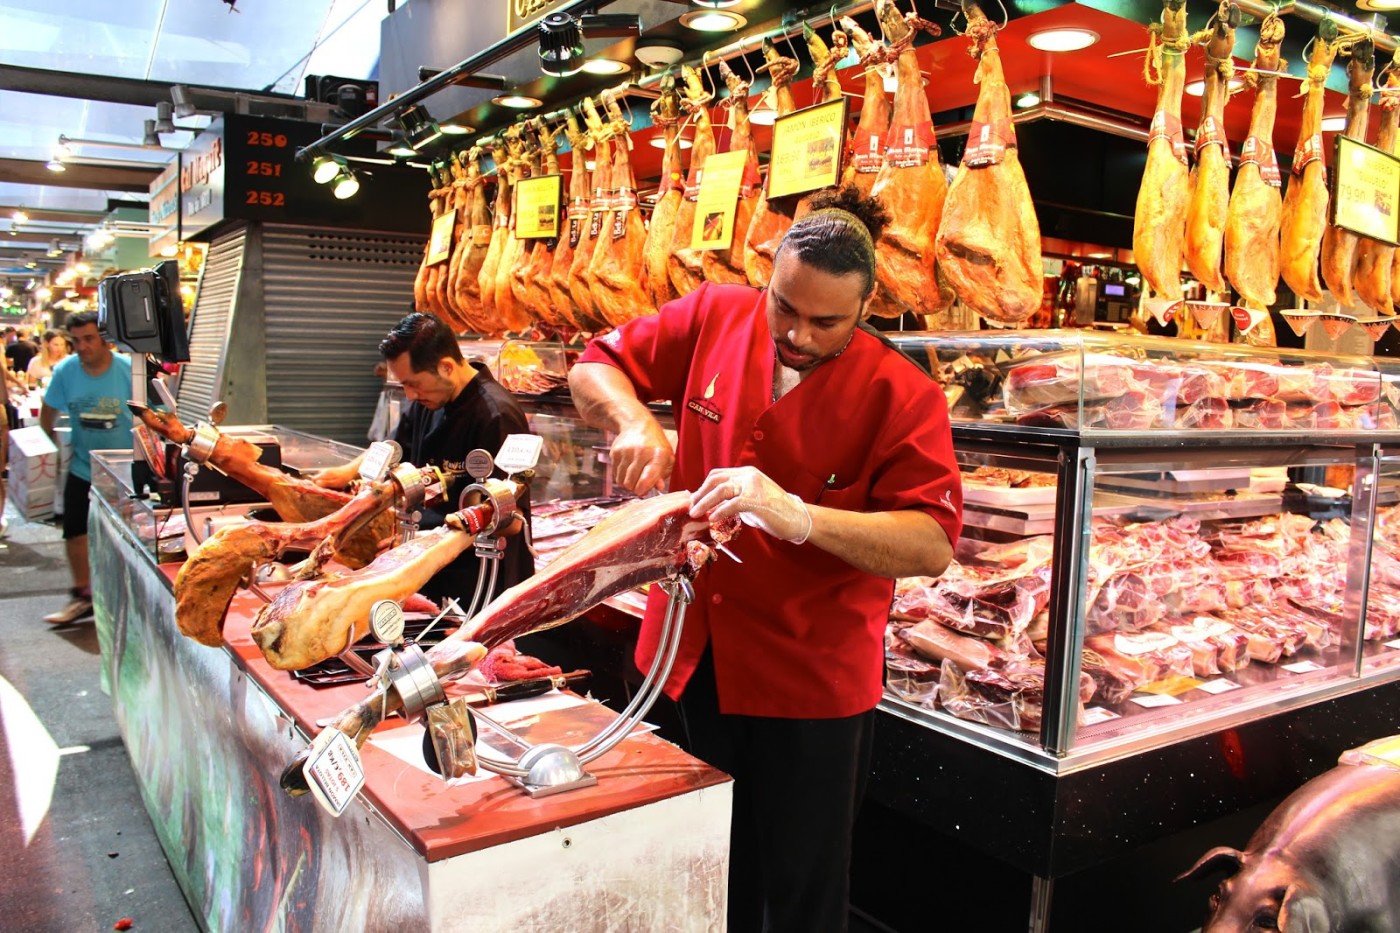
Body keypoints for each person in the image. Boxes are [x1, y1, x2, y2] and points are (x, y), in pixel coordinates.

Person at [568, 186, 962, 933]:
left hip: (807, 683)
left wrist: (799, 516)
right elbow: (596, 364)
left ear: (868, 306)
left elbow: (933, 542)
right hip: (684, 653)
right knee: (699, 866)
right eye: (785, 307)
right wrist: (635, 421)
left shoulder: (902, 393)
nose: (799, 335)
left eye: (827, 322)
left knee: (800, 894)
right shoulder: (716, 313)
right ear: (769, 275)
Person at [315, 312, 534, 603]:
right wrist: (346, 473)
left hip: (480, 578)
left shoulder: (496, 415)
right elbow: (394, 447)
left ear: (445, 367)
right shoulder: (428, 399)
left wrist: (418, 544)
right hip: (429, 569)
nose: (408, 395)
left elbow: (507, 520)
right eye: (403, 384)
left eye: (413, 383)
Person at [40, 311, 133, 624]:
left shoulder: (129, 371)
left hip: (124, 472)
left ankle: (126, 599)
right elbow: (48, 411)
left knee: (129, 538)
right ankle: (83, 596)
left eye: (88, 338)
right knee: (75, 532)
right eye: (76, 340)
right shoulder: (66, 371)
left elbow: (155, 415)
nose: (81, 346)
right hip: (83, 467)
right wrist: (47, 449)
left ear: (104, 339)